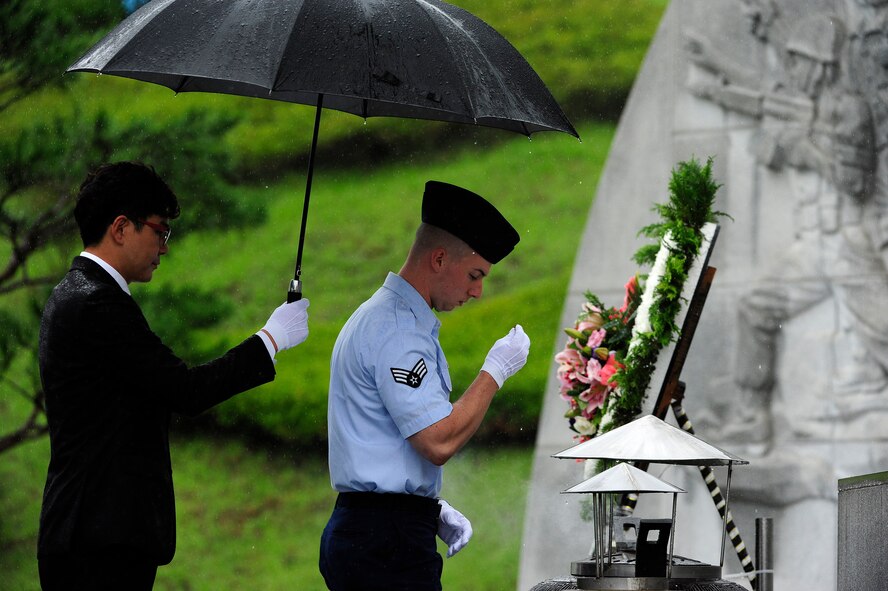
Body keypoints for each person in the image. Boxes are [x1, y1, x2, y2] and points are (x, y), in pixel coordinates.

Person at [36, 161, 310, 591]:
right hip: (100, 542)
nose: (164, 248)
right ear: (122, 228)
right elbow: (186, 390)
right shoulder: (97, 304)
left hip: (86, 533)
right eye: (160, 232)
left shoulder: (75, 292)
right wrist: (271, 338)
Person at [318, 180, 531, 591]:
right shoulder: (398, 330)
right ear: (438, 259)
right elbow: (436, 442)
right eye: (474, 274)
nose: (477, 291)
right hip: (384, 544)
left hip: (374, 532)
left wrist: (427, 509)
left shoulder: (382, 317)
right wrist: (496, 371)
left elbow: (384, 440)